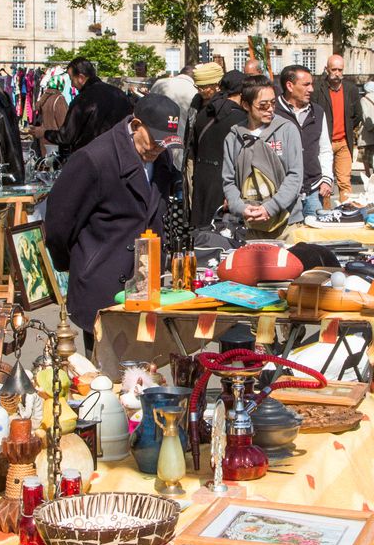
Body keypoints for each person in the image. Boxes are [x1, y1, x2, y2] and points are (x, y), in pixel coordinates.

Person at [44, 94, 183, 341]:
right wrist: (79, 264)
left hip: (147, 287)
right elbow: (59, 224)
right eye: (155, 140)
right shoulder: (94, 158)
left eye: (165, 143)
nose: (159, 148)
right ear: (137, 125)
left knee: (144, 374)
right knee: (102, 376)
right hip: (104, 282)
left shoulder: (160, 156)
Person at [221, 80, 302, 236]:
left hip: (288, 223)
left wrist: (270, 207)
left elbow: (295, 175)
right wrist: (240, 208)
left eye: (273, 103)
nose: (270, 109)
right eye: (263, 105)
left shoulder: (287, 130)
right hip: (250, 225)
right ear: (245, 105)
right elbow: (229, 180)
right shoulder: (233, 137)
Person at [185, 71, 247, 231]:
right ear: (241, 93)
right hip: (224, 184)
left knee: (200, 233)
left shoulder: (203, 112)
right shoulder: (241, 119)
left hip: (201, 179)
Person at [272, 64, 335, 219]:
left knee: (315, 239)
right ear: (290, 86)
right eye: (306, 84)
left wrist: (327, 179)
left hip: (313, 189)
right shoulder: (272, 112)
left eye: (311, 84)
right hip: (282, 191)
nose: (311, 89)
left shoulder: (318, 112)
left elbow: (325, 149)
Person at [55, 58, 131, 158]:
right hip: (120, 156)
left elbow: (66, 137)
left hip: (91, 159)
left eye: (71, 79)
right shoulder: (120, 94)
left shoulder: (83, 99)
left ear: (81, 78)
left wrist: (43, 132)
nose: (72, 85)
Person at [318, 54, 364, 196]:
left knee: (344, 182)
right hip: (324, 143)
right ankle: (325, 214)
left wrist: (347, 129)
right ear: (327, 69)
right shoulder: (318, 89)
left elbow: (357, 115)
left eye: (340, 70)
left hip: (343, 142)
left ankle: (347, 214)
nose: (337, 73)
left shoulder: (350, 89)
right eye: (334, 70)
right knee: (325, 183)